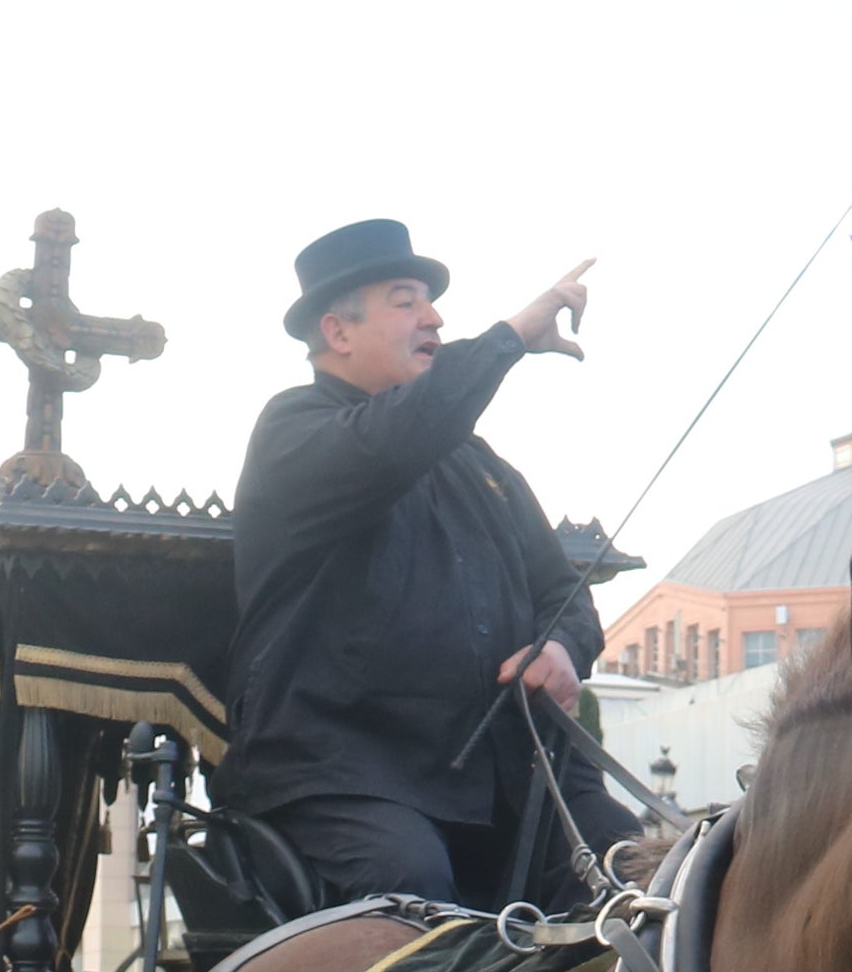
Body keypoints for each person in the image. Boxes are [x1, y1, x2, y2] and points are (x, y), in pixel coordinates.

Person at [224, 220, 627, 909]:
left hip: (507, 776)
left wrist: (559, 646)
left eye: (431, 303)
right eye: (406, 301)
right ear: (339, 332)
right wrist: (510, 338)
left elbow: (564, 590)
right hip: (347, 774)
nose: (434, 317)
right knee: (409, 883)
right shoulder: (293, 430)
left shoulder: (482, 466)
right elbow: (390, 443)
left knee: (637, 866)